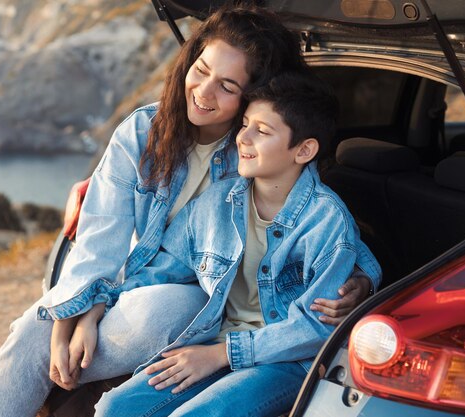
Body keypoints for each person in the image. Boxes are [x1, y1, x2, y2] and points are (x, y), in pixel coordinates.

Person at [0, 5, 373, 417]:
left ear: (254, 96)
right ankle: (16, 376)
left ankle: (13, 378)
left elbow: (329, 241)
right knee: (37, 328)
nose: (203, 92)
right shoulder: (142, 132)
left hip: (198, 306)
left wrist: (361, 281)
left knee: (168, 307)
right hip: (127, 284)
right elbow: (99, 241)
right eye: (201, 69)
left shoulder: (255, 158)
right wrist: (82, 313)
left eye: (228, 86)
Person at [94, 70, 381, 417]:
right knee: (115, 407)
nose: (242, 138)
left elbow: (316, 328)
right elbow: (165, 268)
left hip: (289, 361)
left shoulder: (327, 221)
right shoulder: (216, 203)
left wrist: (222, 354)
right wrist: (99, 305)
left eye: (262, 131)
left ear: (304, 150)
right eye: (245, 124)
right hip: (219, 342)